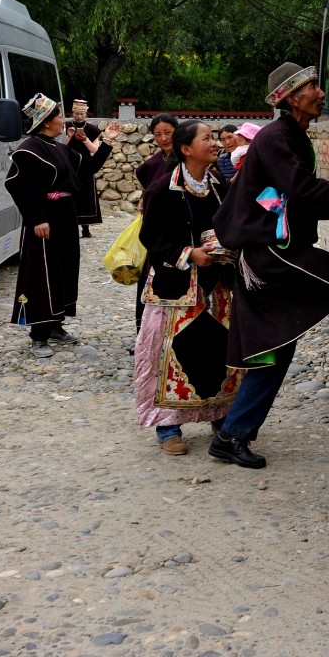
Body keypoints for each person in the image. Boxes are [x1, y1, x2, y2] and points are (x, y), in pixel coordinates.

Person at [209, 62, 329, 468]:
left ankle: (233, 430)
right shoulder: (278, 137)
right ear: (292, 97)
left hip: (276, 247)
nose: (322, 93)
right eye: (313, 86)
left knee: (276, 346)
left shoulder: (291, 135)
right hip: (271, 253)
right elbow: (301, 189)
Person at [134, 121, 241, 455]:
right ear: (186, 149)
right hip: (175, 286)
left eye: (214, 138)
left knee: (214, 348)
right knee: (168, 353)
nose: (215, 144)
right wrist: (188, 254)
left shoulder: (218, 184)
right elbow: (150, 237)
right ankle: (167, 426)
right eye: (207, 139)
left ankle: (219, 414)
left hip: (215, 284)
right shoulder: (162, 189)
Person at [6, 94, 119, 357]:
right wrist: (37, 218)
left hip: (66, 216)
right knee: (42, 272)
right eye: (58, 116)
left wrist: (107, 143)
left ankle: (56, 323)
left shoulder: (60, 148)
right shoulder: (29, 149)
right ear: (46, 122)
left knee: (64, 268)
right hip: (45, 219)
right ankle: (39, 333)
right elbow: (24, 187)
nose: (62, 120)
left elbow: (88, 167)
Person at [131, 112, 180, 333]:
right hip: (158, 232)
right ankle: (146, 333)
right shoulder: (150, 166)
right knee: (151, 277)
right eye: (158, 134)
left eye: (167, 133)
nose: (163, 138)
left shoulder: (189, 158)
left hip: (182, 231)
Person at [66, 99, 103, 238]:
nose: (79, 116)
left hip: (86, 165)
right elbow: (61, 146)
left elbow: (95, 150)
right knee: (70, 195)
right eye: (77, 113)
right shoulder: (66, 126)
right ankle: (71, 226)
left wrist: (85, 140)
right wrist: (69, 136)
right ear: (72, 113)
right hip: (69, 164)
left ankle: (86, 228)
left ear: (86, 114)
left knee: (85, 195)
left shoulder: (92, 129)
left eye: (82, 113)